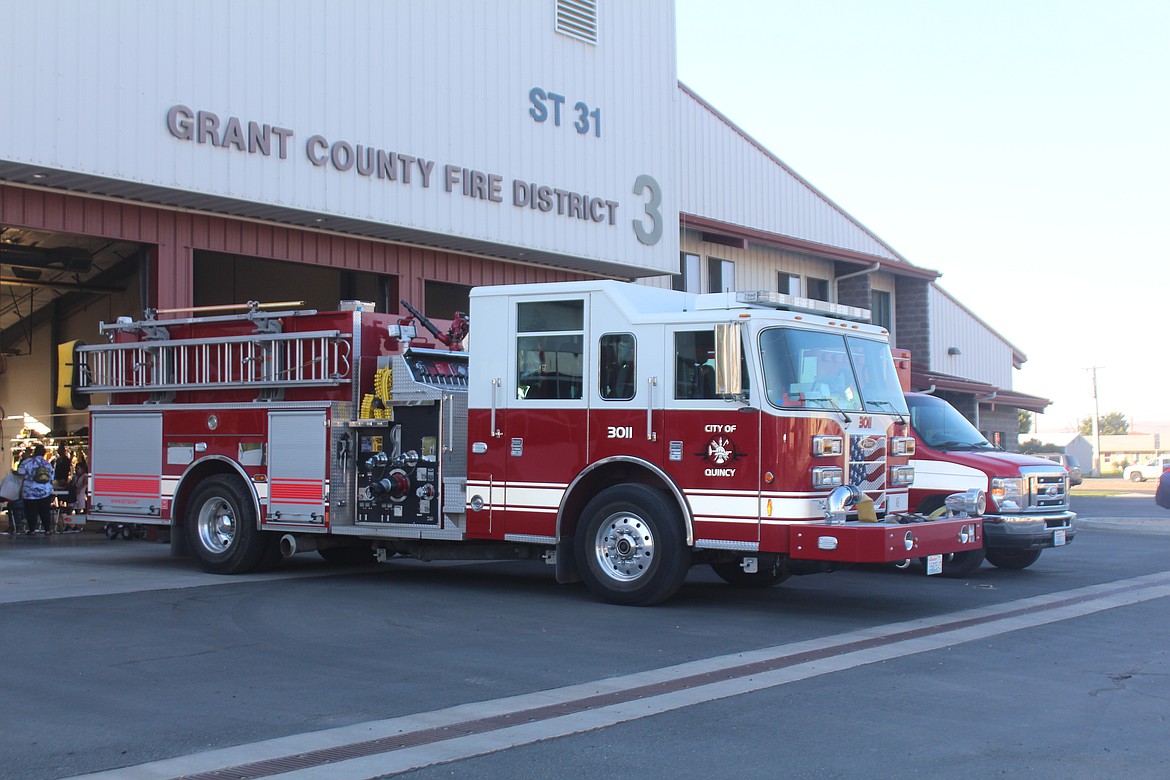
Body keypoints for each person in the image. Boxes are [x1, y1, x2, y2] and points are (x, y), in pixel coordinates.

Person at [17, 443, 55, 534]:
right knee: (45, 511)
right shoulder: (48, 464)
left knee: (31, 511)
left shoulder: (27, 462)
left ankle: (32, 530)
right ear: (44, 453)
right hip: (45, 491)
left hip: (30, 492)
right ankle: (47, 530)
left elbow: (20, 473)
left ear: (34, 452)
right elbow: (52, 477)